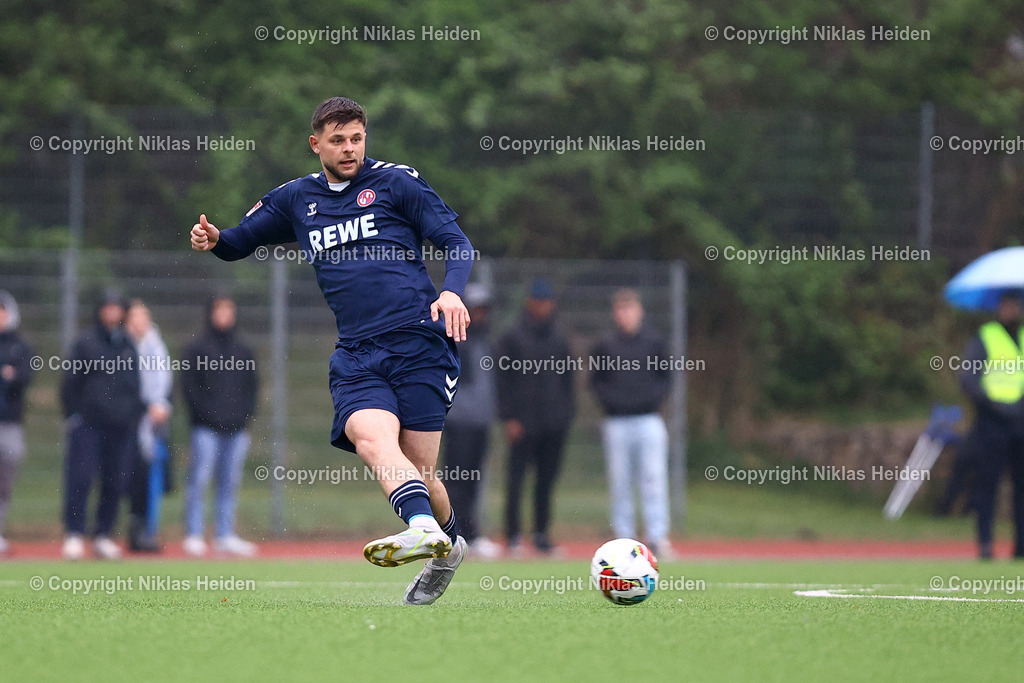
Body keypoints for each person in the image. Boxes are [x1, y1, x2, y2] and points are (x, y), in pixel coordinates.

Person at [189, 97, 474, 604]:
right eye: (338, 140)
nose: (349, 149)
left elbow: (456, 241)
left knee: (419, 468)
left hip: (419, 342)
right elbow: (240, 241)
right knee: (371, 439)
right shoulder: (296, 198)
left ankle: (445, 546)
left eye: (357, 138)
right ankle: (425, 531)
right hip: (358, 353)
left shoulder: (396, 183)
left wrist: (451, 290)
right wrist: (214, 239)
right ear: (315, 143)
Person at [60, 290, 144, 560]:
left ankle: (102, 535)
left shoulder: (128, 344)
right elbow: (70, 383)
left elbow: (134, 385)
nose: (111, 313)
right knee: (81, 478)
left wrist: (132, 416)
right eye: (107, 307)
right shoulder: (85, 343)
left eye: (116, 308)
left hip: (120, 427)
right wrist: (74, 415)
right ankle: (74, 534)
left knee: (115, 481)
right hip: (89, 425)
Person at [589, 288, 673, 559]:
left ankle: (657, 536)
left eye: (630, 309)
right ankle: (624, 538)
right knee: (620, 482)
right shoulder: (605, 345)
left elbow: (666, 378)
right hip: (617, 423)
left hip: (649, 420)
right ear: (615, 314)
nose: (625, 315)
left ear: (640, 311)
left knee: (653, 479)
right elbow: (596, 382)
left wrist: (648, 400)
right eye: (620, 310)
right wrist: (614, 402)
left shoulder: (654, 342)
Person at [495, 279, 575, 555]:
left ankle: (541, 535)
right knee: (516, 481)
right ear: (530, 302)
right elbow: (501, 381)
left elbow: (568, 380)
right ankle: (513, 536)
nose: (543, 306)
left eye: (547, 301)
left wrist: (566, 416)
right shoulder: (513, 335)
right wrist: (508, 418)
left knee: (546, 482)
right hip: (522, 423)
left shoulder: (558, 337)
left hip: (553, 424)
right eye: (538, 300)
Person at [180, 295, 259, 557]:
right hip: (206, 429)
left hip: (236, 430)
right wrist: (207, 416)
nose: (225, 314)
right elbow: (190, 388)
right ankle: (194, 534)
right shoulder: (197, 348)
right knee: (199, 480)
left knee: (229, 482)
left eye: (229, 309)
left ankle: (225, 535)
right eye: (220, 309)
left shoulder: (243, 349)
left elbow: (252, 388)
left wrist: (243, 417)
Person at [959, 290, 1024, 560]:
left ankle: (1021, 546)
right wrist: (994, 405)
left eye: (1015, 304)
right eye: (1006, 305)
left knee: (1021, 487)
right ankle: (985, 544)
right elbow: (968, 379)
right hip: (991, 423)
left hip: (1021, 423)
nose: (1010, 309)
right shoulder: (986, 335)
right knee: (987, 484)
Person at [441, 283, 501, 559]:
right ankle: (454, 533)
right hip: (458, 422)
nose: (479, 314)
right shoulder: (453, 339)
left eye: (482, 309)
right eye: (474, 308)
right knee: (456, 479)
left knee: (474, 480)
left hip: (480, 422)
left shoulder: (486, 340)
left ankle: (470, 533)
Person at [125, 299, 172, 552]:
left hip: (152, 423)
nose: (140, 322)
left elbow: (163, 380)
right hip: (126, 420)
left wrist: (159, 405)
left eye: (144, 316)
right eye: (135, 317)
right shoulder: (121, 345)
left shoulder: (156, 345)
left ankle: (146, 531)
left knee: (150, 478)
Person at [0, 291, 34, 555]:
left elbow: (23, 375)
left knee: (5, 482)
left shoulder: (19, 346)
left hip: (9, 422)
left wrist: (11, 375)